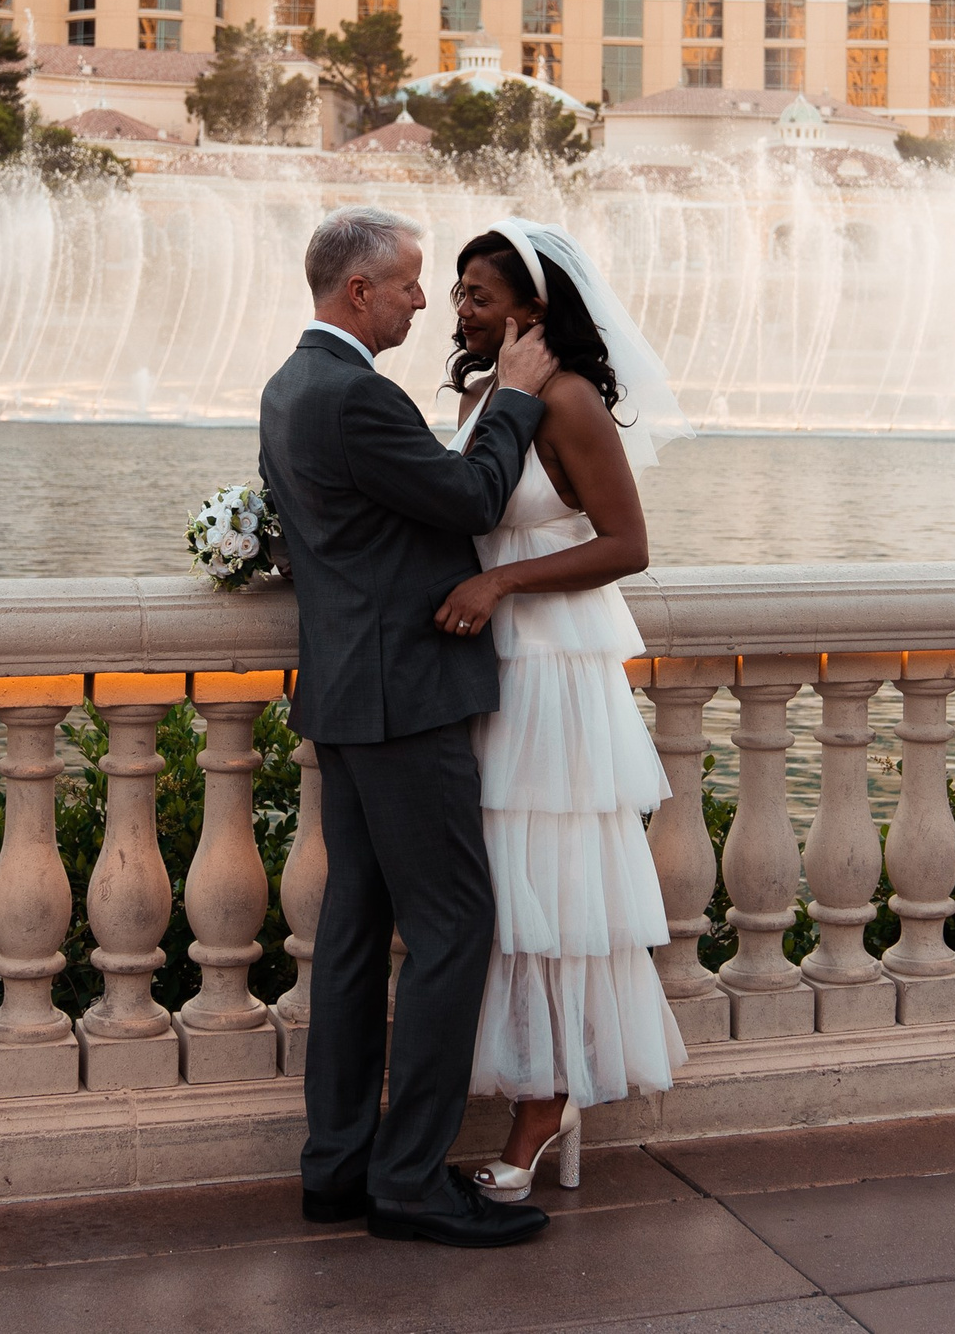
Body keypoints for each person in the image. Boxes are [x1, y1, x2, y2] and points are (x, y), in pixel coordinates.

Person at [256, 207, 559, 1249]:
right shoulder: (355, 397)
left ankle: (336, 1168)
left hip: (347, 692)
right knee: (451, 929)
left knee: (350, 938)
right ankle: (413, 1180)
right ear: (359, 294)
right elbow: (474, 495)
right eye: (411, 283)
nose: (425, 301)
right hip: (403, 698)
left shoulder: (287, 387)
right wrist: (512, 400)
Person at [434, 219, 691, 1201]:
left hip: (550, 669)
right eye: (457, 291)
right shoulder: (478, 393)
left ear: (531, 314)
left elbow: (627, 544)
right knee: (494, 892)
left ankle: (545, 1104)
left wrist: (500, 589)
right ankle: (534, 1083)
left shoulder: (571, 401)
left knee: (545, 887)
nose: (458, 309)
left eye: (477, 297)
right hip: (482, 666)